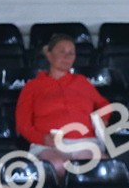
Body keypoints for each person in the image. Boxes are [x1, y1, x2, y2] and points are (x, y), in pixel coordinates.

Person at [15, 34, 111, 178]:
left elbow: (104, 104)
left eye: (71, 53)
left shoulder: (81, 82)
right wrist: (42, 138)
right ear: (49, 55)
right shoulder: (32, 87)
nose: (67, 56)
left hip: (84, 142)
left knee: (100, 163)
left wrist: (103, 118)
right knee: (57, 165)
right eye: (62, 52)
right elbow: (23, 124)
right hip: (48, 145)